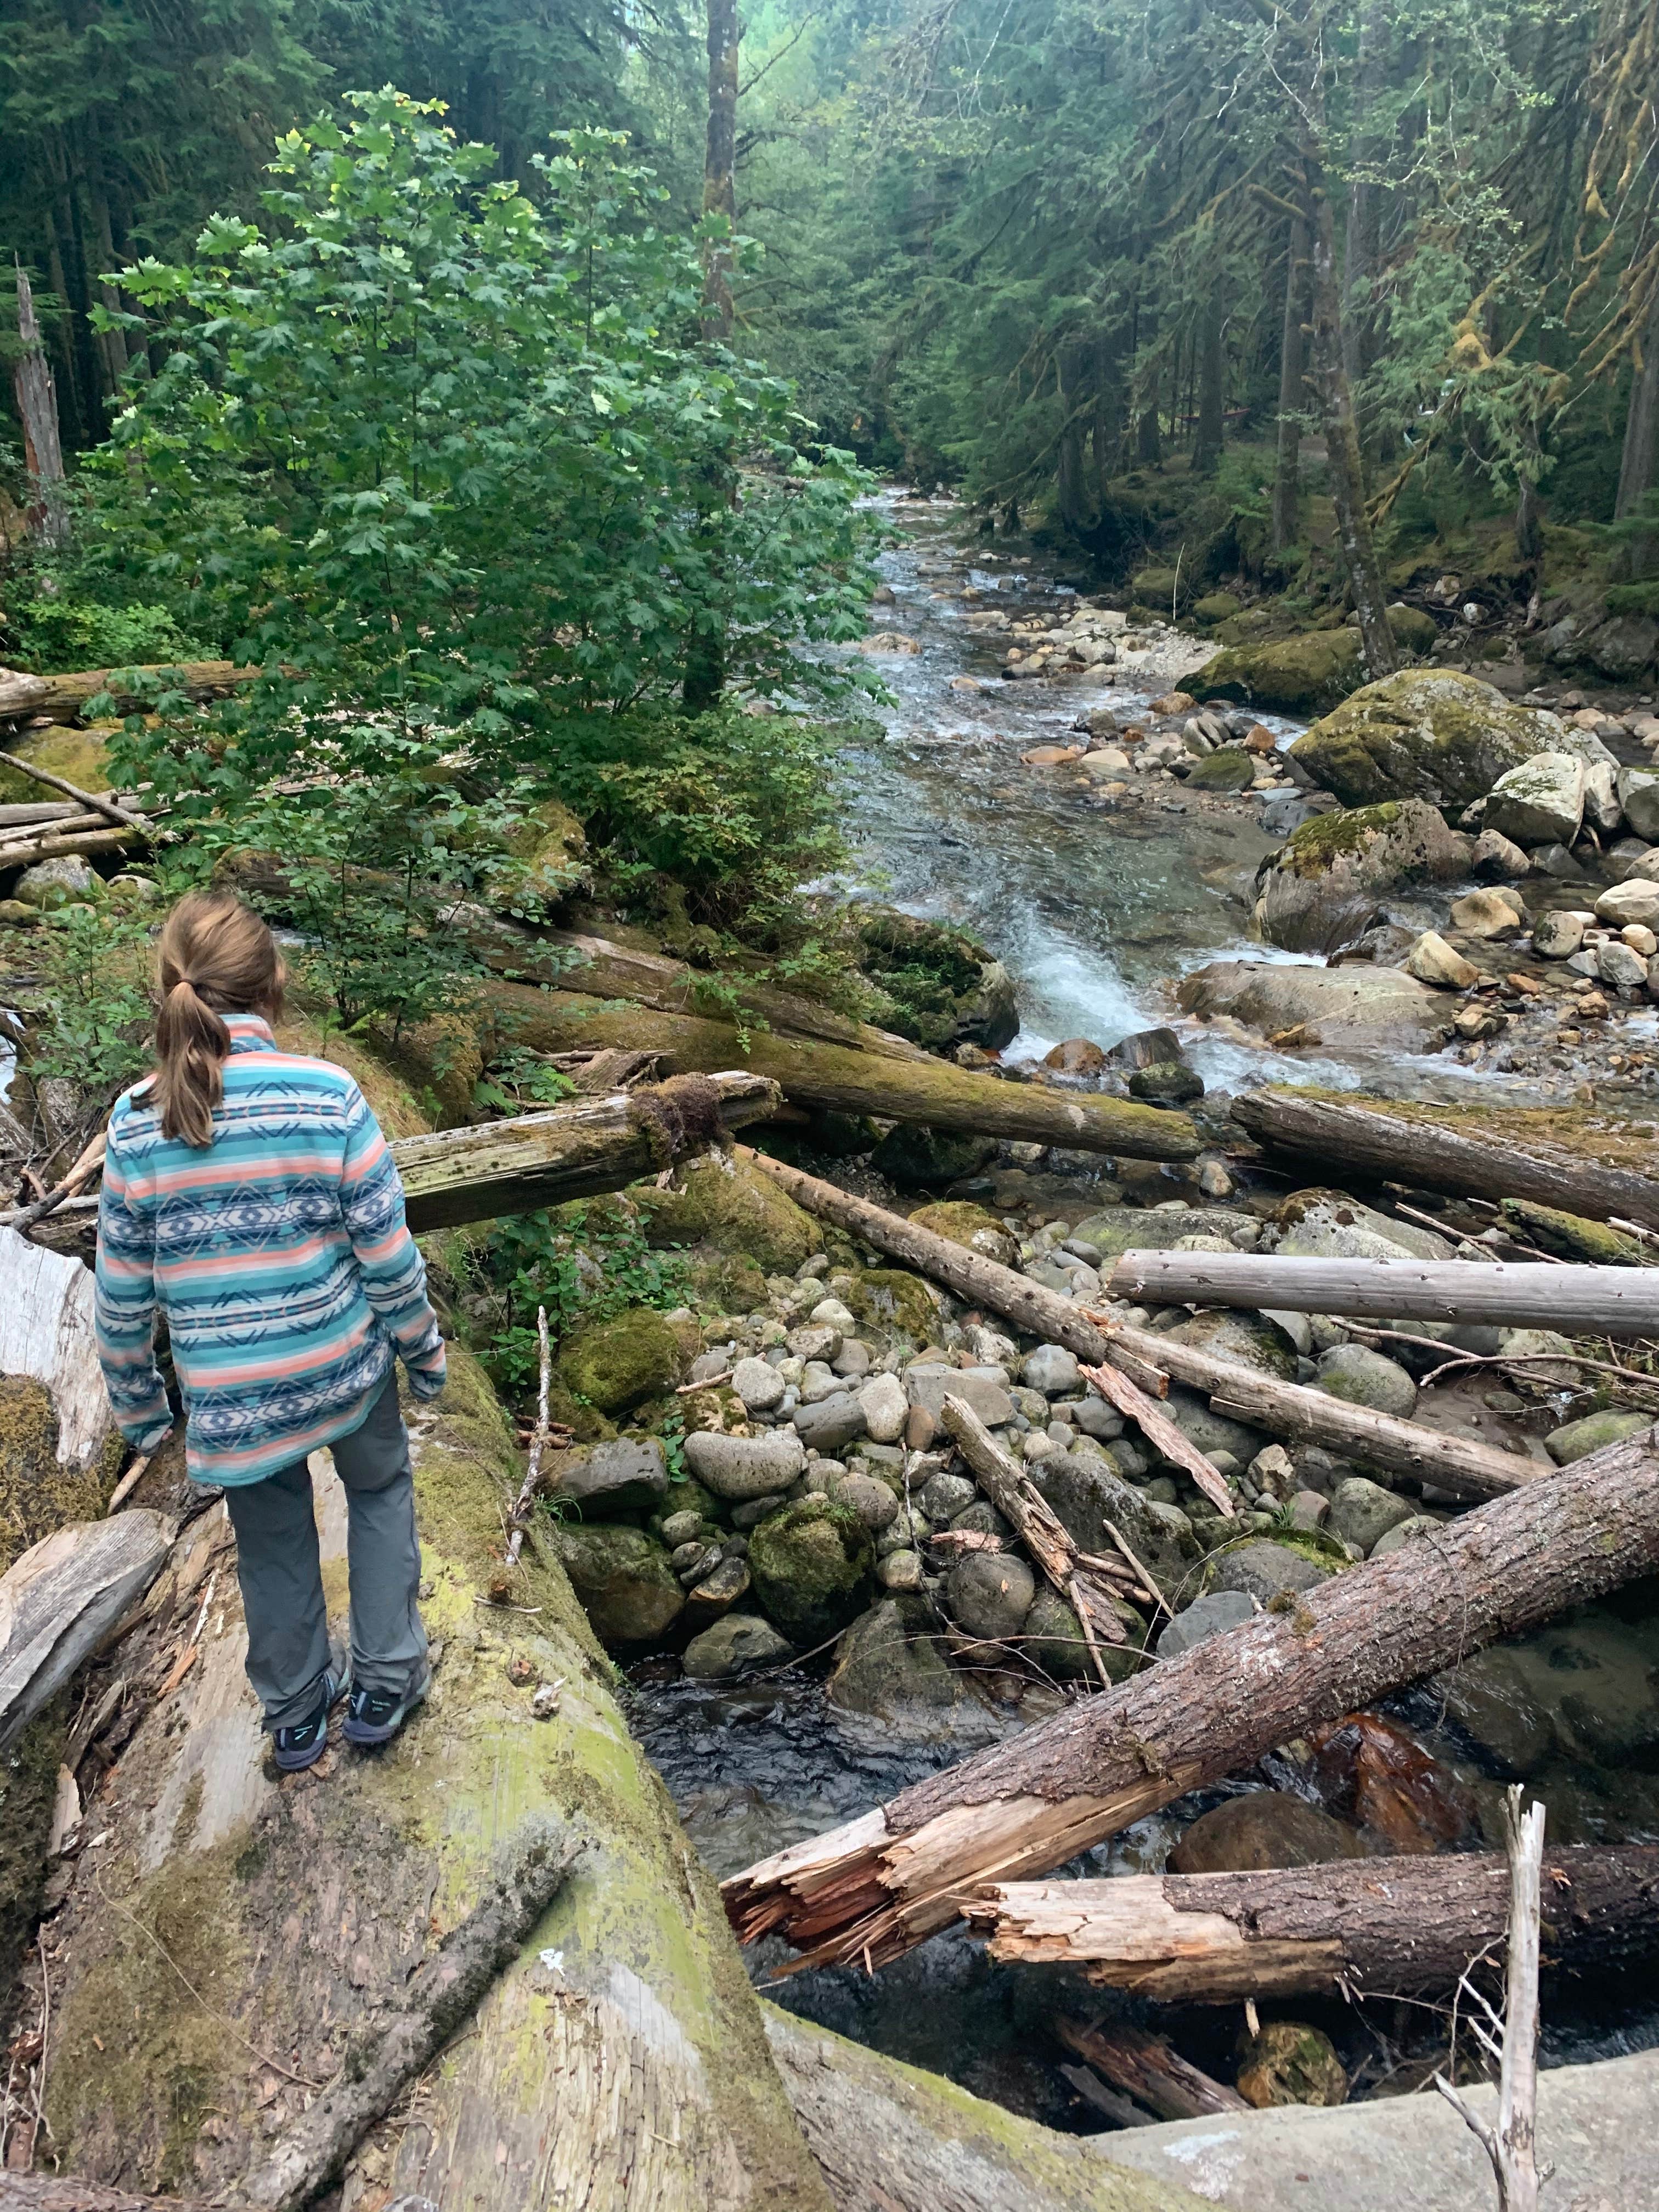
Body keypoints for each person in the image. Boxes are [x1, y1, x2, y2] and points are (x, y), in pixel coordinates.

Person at [94, 889, 447, 1770]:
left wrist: (142, 1413)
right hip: (344, 1370)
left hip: (232, 1399)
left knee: (272, 1537)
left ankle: (294, 1712)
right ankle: (384, 1683)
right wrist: (422, 1350)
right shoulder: (327, 1093)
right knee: (378, 1494)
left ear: (170, 988)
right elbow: (387, 1253)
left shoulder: (137, 1122)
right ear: (274, 984)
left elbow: (121, 1296)